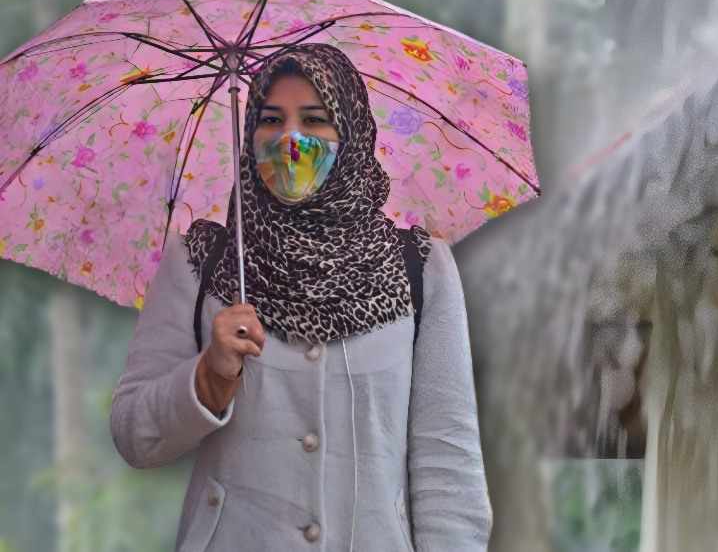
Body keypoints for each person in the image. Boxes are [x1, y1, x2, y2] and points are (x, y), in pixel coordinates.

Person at [109, 43, 491, 551]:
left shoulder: (418, 267)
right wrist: (208, 377)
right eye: (271, 120)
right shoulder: (203, 260)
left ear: (350, 134)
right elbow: (135, 434)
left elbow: (448, 466)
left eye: (314, 121)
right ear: (248, 136)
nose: (291, 140)